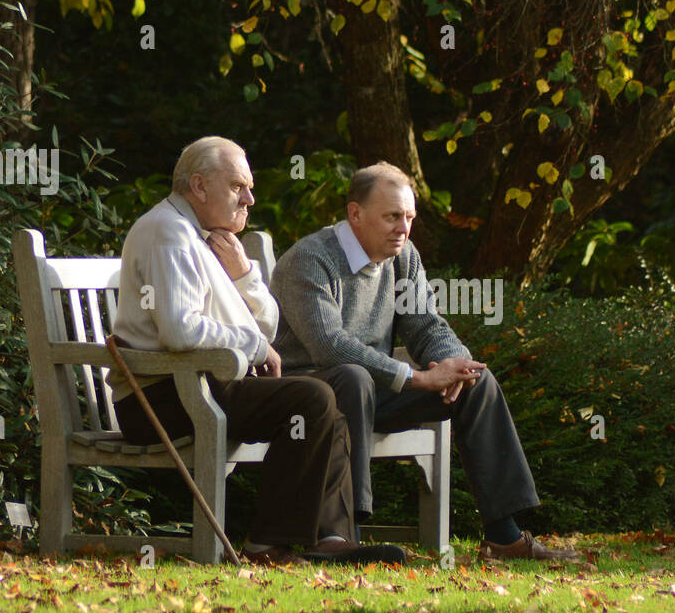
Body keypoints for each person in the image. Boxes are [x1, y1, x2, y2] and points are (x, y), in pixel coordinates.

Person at [108, 136, 405, 565]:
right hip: (162, 397)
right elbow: (179, 330)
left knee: (329, 395)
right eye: (237, 186)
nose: (249, 197)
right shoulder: (168, 233)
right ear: (199, 186)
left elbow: (266, 323)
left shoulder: (207, 236)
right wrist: (255, 347)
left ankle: (332, 539)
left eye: (249, 187)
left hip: (205, 385)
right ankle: (268, 543)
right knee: (311, 398)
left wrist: (245, 275)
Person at [271, 162, 577, 563]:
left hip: (376, 390)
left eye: (409, 217)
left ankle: (504, 536)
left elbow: (425, 325)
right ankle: (343, 537)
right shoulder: (310, 259)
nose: (403, 228)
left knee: (476, 383)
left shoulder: (403, 257)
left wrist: (455, 364)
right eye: (392, 216)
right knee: (352, 375)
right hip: (313, 397)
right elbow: (329, 345)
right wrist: (414, 378)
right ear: (355, 214)